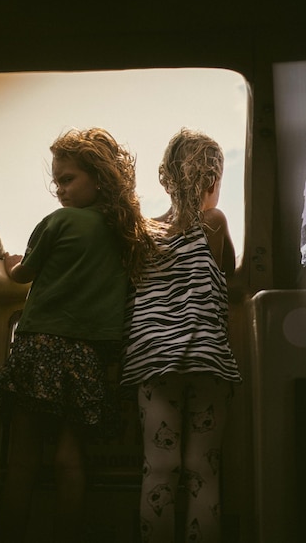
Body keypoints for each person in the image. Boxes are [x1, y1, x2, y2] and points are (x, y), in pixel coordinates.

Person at [0, 127, 155, 543]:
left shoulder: (59, 221)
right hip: (87, 358)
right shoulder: (126, 235)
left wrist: (11, 262)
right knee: (71, 458)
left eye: (67, 179)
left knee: (22, 459)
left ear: (98, 178)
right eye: (57, 182)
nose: (59, 190)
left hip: (40, 347)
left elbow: (20, 275)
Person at [121, 128, 242, 543]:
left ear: (166, 180)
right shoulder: (214, 222)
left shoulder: (146, 234)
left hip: (154, 363)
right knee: (201, 468)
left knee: (158, 467)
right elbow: (232, 278)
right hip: (205, 359)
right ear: (212, 181)